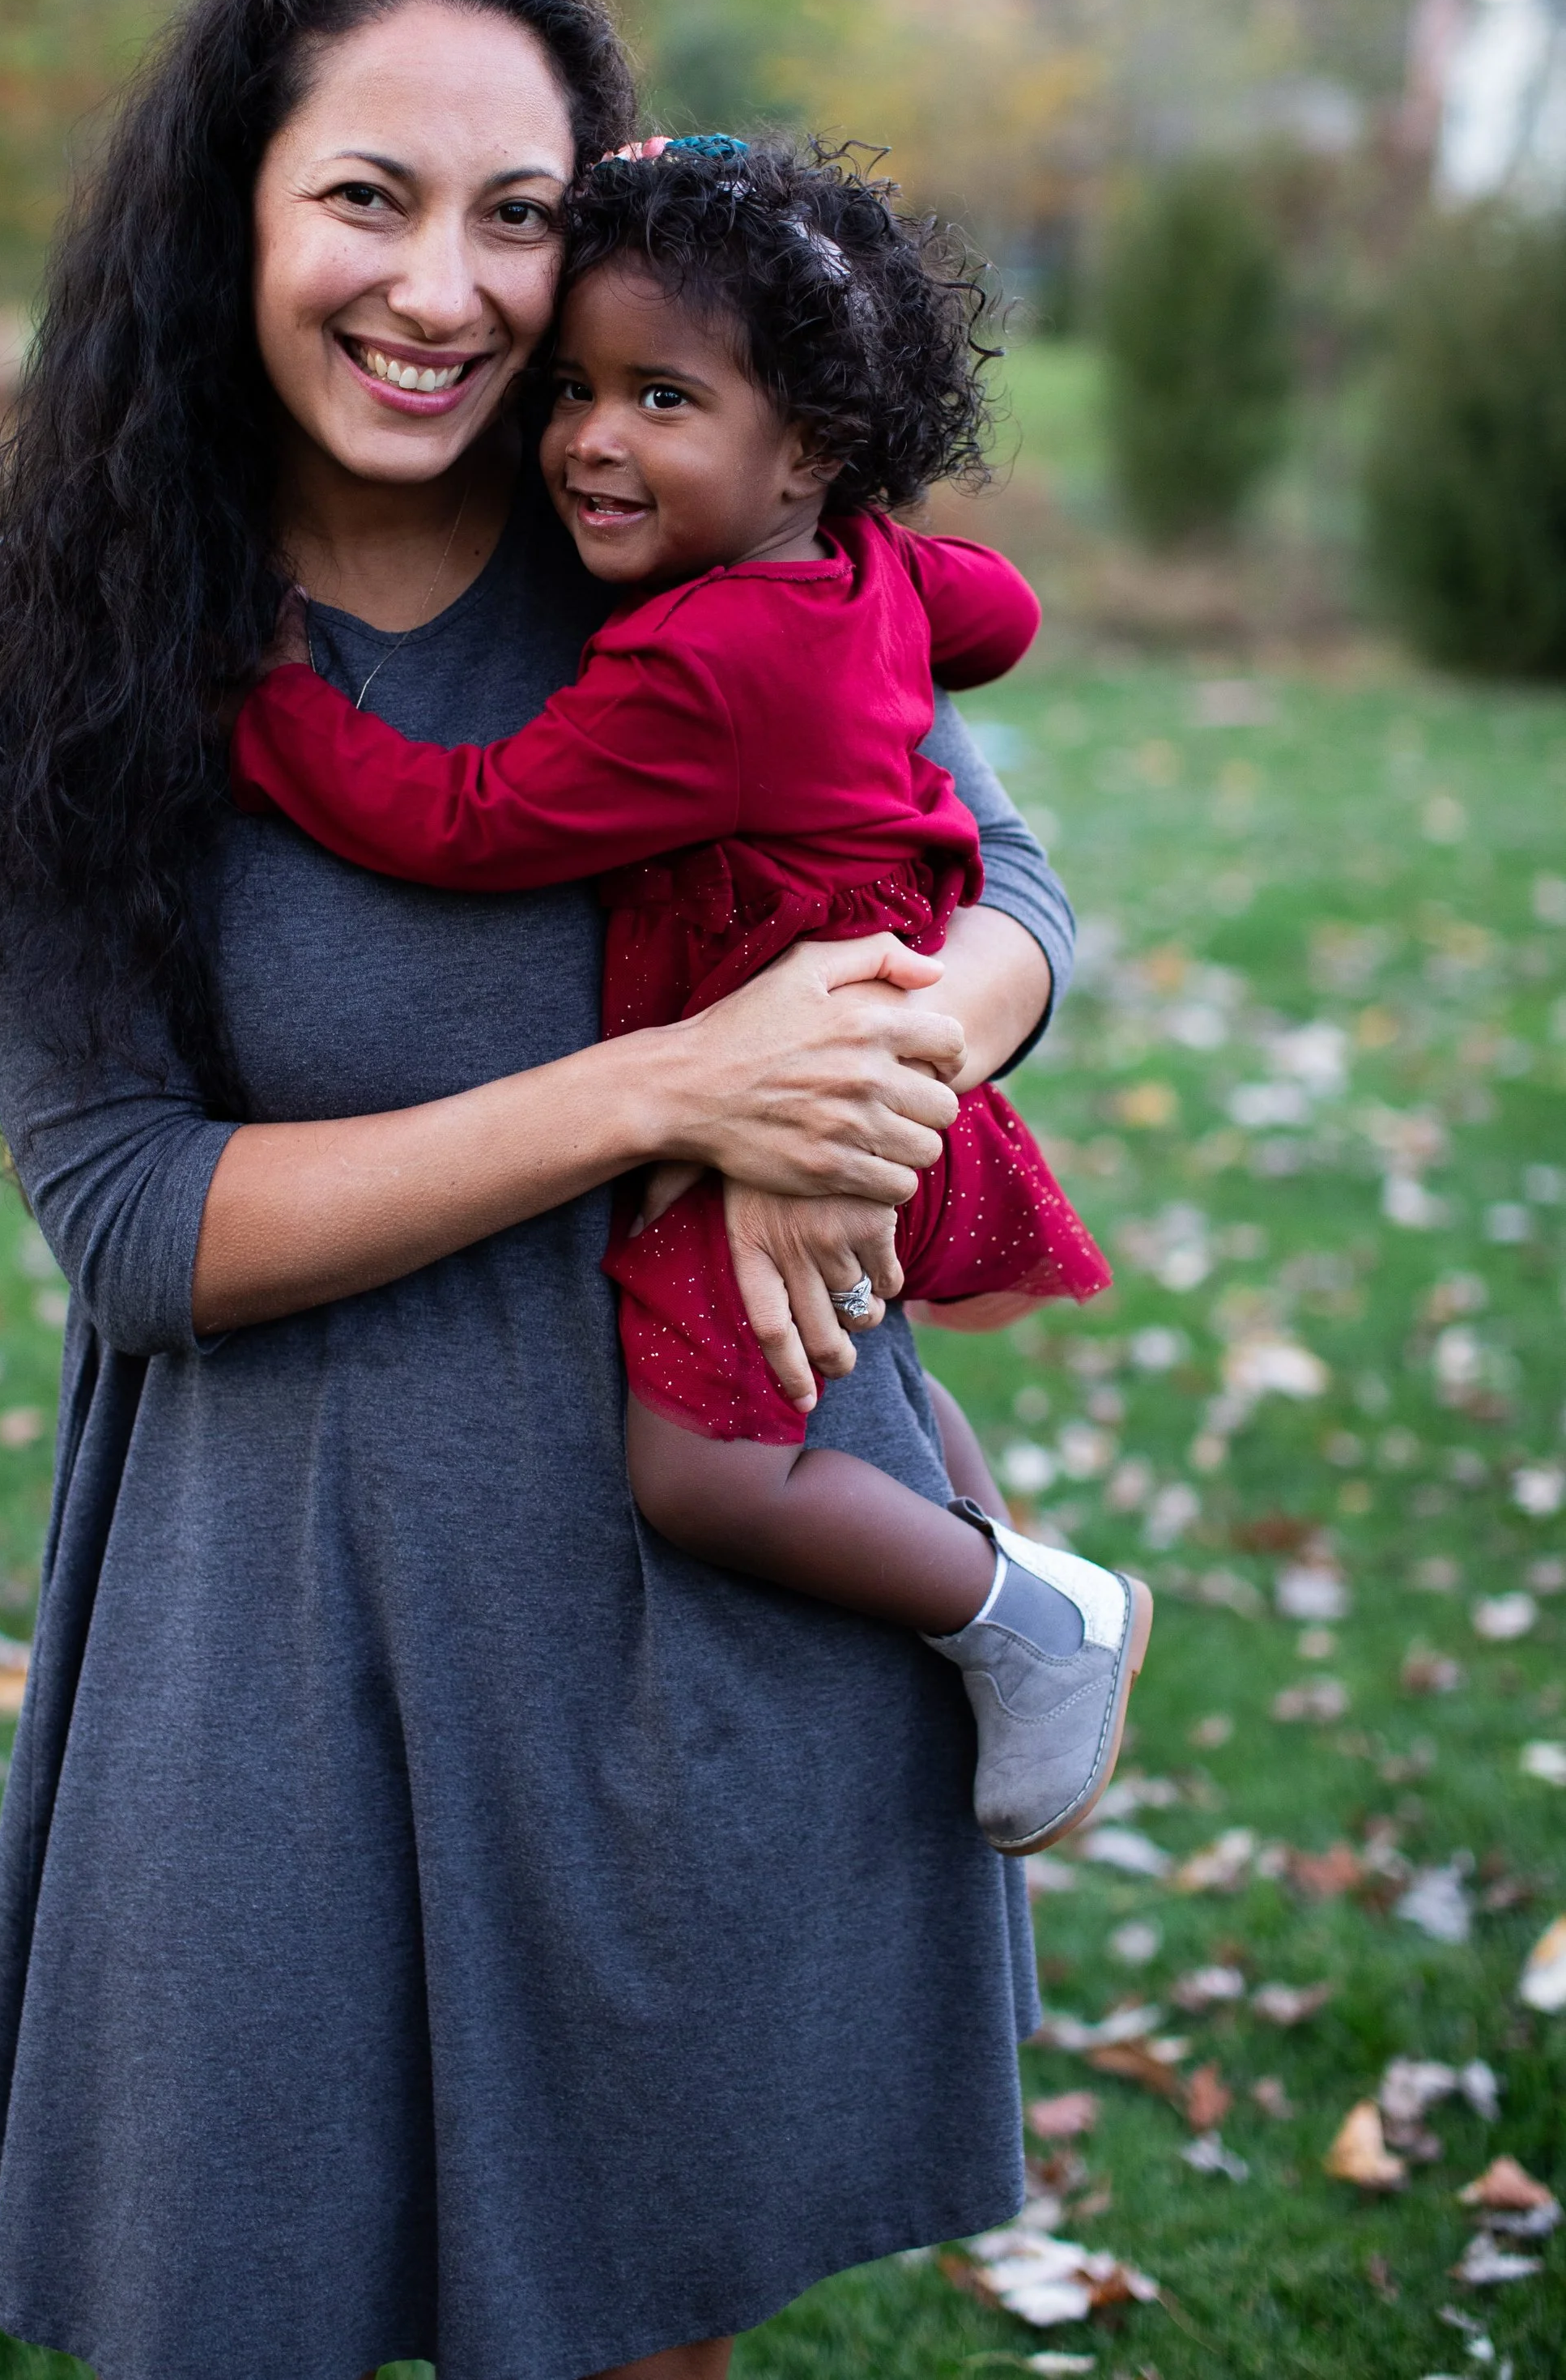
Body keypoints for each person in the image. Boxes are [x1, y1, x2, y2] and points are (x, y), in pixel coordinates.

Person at [0, 0, 1079, 2380]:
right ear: (231, 207)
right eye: (366, 196)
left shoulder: (664, 501)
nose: (443, 288)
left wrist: (860, 1057)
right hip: (281, 1637)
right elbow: (126, 1216)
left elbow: (1017, 893)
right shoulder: (93, 652)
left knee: (645, 2324)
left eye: (514, 213)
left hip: (693, 1634)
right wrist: (662, 1086)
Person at [228, 136, 1144, 1858]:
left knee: (705, 1472)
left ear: (805, 444)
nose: (586, 438)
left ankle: (1024, 1616)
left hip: (780, 1079)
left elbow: (466, 819)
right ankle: (987, 1565)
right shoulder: (856, 568)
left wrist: (273, 704)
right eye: (571, 388)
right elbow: (1000, 608)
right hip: (875, 1020)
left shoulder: (698, 664)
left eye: (660, 399)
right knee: (837, 1359)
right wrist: (875, 593)